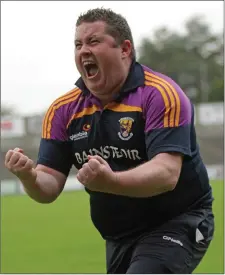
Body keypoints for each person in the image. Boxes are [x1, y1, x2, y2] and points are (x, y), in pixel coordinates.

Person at [5, 8, 214, 274]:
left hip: (181, 222)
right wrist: (28, 177)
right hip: (119, 236)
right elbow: (47, 187)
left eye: (93, 42)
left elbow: (166, 174)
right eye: (78, 44)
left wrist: (110, 181)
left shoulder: (161, 94)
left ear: (125, 49)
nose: (83, 51)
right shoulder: (62, 110)